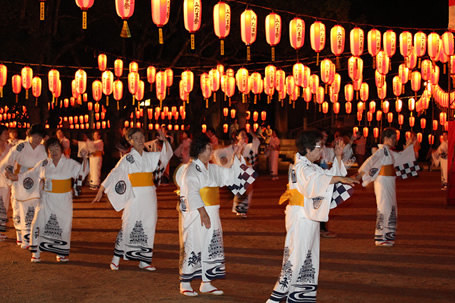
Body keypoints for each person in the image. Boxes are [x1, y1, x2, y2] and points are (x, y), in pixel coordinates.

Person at [266, 130, 358, 303]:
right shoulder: (301, 167)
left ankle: (299, 297)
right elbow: (315, 182)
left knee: (307, 256)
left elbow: (326, 177)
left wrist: (338, 157)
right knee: (296, 257)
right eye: (319, 146)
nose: (321, 150)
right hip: (301, 216)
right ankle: (274, 299)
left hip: (307, 214)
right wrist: (338, 178)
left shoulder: (308, 166)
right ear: (308, 149)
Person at [176, 133, 256, 297]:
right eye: (207, 149)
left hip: (213, 212)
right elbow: (191, 192)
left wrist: (237, 156)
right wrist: (203, 212)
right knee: (194, 244)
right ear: (199, 150)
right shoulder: (191, 170)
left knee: (211, 245)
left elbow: (230, 176)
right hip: (198, 214)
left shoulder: (212, 168)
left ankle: (206, 282)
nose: (210, 152)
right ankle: (185, 282)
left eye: (211, 148)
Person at [93, 128, 172, 271]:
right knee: (128, 224)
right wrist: (102, 187)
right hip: (134, 195)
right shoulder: (127, 158)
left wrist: (164, 141)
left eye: (142, 137)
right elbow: (115, 172)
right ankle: (116, 258)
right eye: (136, 138)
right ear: (130, 141)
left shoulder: (151, 156)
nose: (140, 140)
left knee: (149, 224)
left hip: (149, 194)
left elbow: (165, 156)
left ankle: (144, 260)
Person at [5, 137, 89, 262]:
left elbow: (83, 171)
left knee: (63, 226)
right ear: (47, 151)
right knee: (38, 223)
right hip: (46, 199)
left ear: (61, 150)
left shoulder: (69, 163)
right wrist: (16, 177)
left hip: (63, 201)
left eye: (56, 148)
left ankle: (60, 253)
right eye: (50, 149)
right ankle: (36, 253)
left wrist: (84, 159)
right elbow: (31, 174)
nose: (54, 151)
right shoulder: (44, 163)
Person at [357, 128, 416, 247]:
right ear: (386, 139)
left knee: (391, 208)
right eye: (393, 138)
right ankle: (381, 237)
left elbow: (400, 157)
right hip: (382, 182)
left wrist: (409, 146)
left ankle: (387, 236)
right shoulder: (382, 151)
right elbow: (369, 161)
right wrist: (360, 174)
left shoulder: (388, 151)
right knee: (384, 208)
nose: (395, 141)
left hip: (389, 181)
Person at [0, 124, 47, 249]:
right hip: (19, 179)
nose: (37, 140)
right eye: (35, 136)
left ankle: (31, 236)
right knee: (18, 207)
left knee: (34, 207)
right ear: (29, 135)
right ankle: (20, 235)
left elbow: (47, 164)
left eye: (39, 137)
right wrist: (9, 171)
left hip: (35, 180)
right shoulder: (20, 146)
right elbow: (9, 160)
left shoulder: (43, 149)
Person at [0, 125, 13, 240]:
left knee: (4, 204)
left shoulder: (9, 148)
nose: (7, 135)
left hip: (4, 180)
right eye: (5, 133)